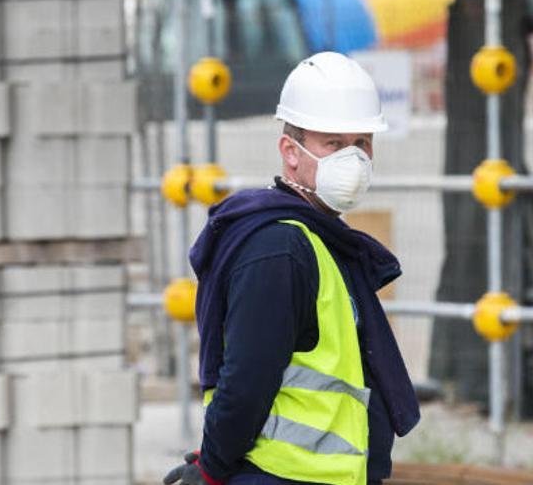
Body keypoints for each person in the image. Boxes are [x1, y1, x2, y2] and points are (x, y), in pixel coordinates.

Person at [163, 52, 420, 485]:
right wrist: (211, 468)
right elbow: (246, 380)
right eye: (333, 144)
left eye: (362, 144)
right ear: (290, 151)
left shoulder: (322, 239)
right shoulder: (280, 249)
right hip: (281, 475)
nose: (353, 161)